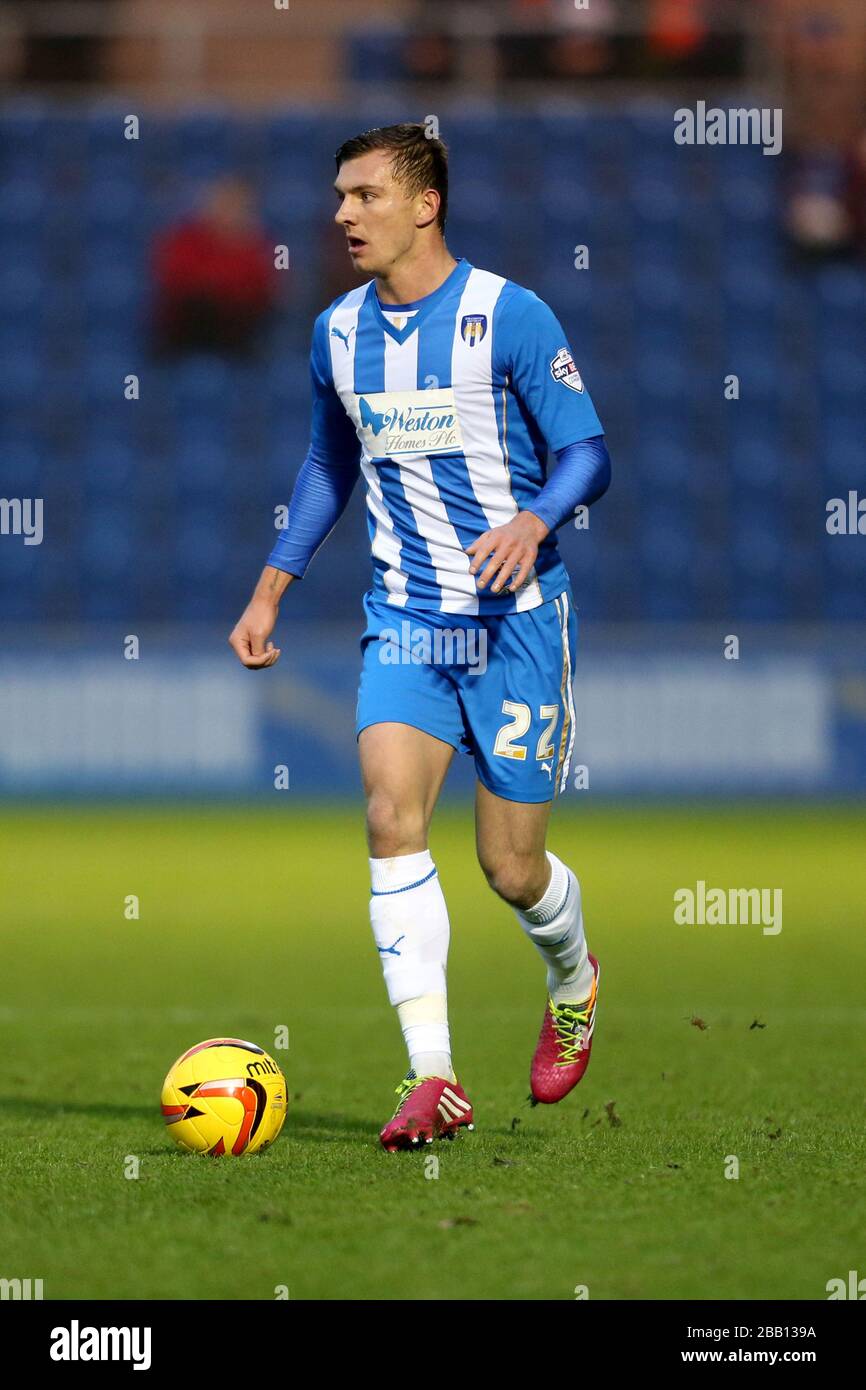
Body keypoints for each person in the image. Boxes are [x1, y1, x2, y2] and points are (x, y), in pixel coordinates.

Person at [228, 124, 611, 1152]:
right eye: (339, 197)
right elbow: (327, 466)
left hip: (516, 623)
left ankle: (573, 977)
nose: (342, 214)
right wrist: (271, 589)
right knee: (390, 815)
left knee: (509, 869)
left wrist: (535, 520)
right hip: (406, 621)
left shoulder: (509, 315)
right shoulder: (335, 333)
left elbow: (586, 451)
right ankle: (432, 1075)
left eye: (363, 196)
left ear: (423, 203)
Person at [151, 176, 278, 356]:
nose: (230, 213)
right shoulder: (185, 239)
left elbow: (263, 289)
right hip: (185, 326)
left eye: (237, 207)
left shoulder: (257, 245)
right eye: (225, 205)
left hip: (237, 330)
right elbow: (174, 280)